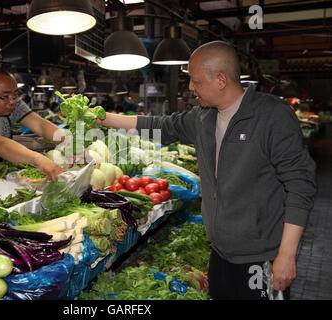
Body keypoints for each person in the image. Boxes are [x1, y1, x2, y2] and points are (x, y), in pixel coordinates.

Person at [95, 41, 317, 300]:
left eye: (195, 81)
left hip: (260, 259)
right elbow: (158, 125)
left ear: (220, 80)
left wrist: (287, 256)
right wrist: (104, 119)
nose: (190, 88)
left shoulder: (272, 117)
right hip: (220, 254)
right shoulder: (203, 117)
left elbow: (300, 186)